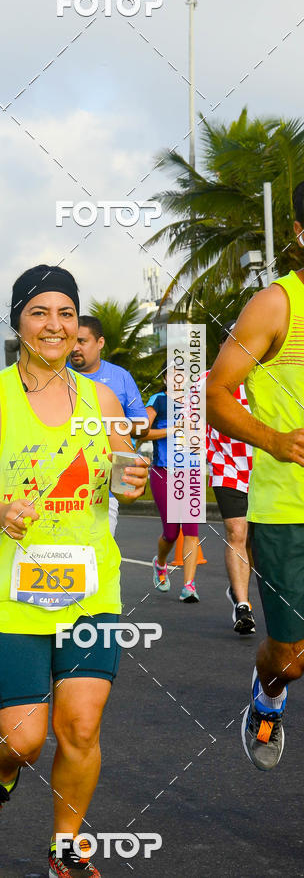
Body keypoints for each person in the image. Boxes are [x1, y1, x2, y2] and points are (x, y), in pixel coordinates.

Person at [0, 265, 148, 878]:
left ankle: (65, 849)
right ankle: (0, 777)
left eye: (66, 314)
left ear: (78, 325)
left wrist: (131, 480)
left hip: (90, 588)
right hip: (15, 592)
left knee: (80, 726)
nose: (55, 326)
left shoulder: (102, 401)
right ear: (18, 322)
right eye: (39, 313)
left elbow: (122, 472)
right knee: (24, 740)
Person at [207, 179, 304, 771]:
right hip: (286, 507)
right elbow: (215, 391)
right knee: (291, 657)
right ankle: (269, 694)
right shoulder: (276, 304)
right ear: (299, 232)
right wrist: (274, 440)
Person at [69, 316, 149, 536]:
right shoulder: (56, 375)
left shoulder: (121, 377)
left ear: (100, 343)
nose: (74, 348)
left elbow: (142, 426)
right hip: (61, 487)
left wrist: (102, 425)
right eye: (72, 341)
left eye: (82, 341)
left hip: (106, 490)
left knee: (97, 552)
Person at [206, 321, 255, 634]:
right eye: (234, 341)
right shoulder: (205, 381)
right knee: (237, 532)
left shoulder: (266, 379)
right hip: (226, 467)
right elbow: (189, 428)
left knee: (256, 541)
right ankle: (243, 605)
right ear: (223, 345)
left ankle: (239, 588)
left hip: (266, 469)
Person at [145, 375, 201, 602]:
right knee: (171, 533)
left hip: (191, 473)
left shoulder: (195, 400)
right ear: (165, 378)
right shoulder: (158, 400)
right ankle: (160, 563)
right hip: (164, 472)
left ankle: (189, 586)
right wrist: (173, 429)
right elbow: (143, 432)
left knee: (191, 531)